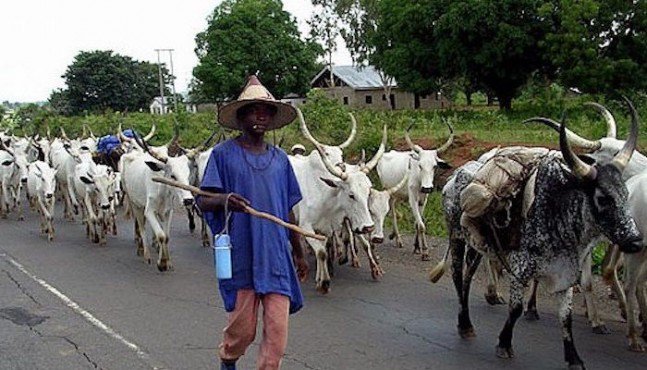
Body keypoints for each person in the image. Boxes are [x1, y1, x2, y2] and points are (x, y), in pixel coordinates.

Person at [197, 75, 309, 370]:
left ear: (272, 117)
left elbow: (287, 210)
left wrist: (298, 251)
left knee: (276, 338)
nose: (260, 115)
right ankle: (228, 360)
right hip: (241, 255)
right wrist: (225, 200)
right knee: (242, 332)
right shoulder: (223, 156)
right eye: (253, 109)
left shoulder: (281, 160)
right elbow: (203, 200)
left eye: (266, 110)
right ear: (241, 115)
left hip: (276, 257)